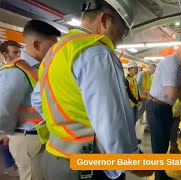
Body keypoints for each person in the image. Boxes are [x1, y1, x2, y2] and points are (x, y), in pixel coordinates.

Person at [31, 0, 153, 179]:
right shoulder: (98, 53)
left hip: (54, 158)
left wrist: (66, 131)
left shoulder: (56, 51)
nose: (120, 40)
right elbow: (111, 122)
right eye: (122, 31)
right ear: (105, 20)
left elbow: (37, 100)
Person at [0, 20, 60, 180]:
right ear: (37, 44)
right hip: (29, 140)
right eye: (52, 46)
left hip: (41, 138)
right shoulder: (15, 71)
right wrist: (12, 132)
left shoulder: (39, 67)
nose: (56, 50)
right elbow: (2, 111)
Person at [146, 41, 181, 180]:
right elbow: (172, 93)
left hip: (165, 107)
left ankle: (161, 174)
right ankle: (159, 177)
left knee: (164, 142)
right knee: (159, 144)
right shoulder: (170, 63)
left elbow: (180, 92)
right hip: (156, 106)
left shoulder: (179, 68)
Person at [0, 40, 22, 176]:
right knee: (5, 141)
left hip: (15, 115)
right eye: (15, 52)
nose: (19, 55)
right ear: (4, 54)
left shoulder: (19, 69)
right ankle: (10, 165)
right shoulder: (4, 72)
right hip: (5, 114)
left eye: (19, 52)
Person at [125, 60, 142, 144]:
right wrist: (136, 101)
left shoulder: (134, 79)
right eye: (135, 69)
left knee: (134, 122)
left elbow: (136, 90)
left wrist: (139, 100)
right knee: (130, 123)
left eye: (137, 69)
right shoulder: (125, 79)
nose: (136, 70)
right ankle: (130, 139)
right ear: (130, 69)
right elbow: (128, 93)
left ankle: (132, 138)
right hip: (129, 105)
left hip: (134, 104)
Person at [137, 64, 156, 131]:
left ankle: (147, 127)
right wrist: (144, 91)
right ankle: (131, 127)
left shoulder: (150, 76)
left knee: (148, 112)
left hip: (147, 97)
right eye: (154, 70)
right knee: (139, 113)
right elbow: (138, 83)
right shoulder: (143, 73)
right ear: (151, 68)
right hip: (141, 97)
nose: (154, 71)